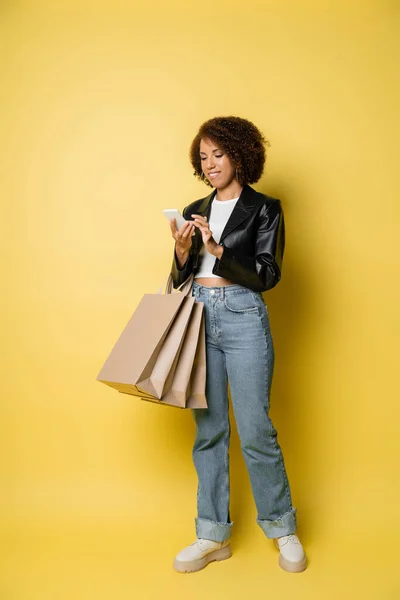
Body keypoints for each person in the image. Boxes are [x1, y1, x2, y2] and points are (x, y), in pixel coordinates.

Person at [168, 116, 307, 574]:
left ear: (240, 154)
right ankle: (212, 534)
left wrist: (219, 248)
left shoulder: (266, 208)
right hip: (199, 315)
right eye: (203, 157)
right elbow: (179, 280)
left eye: (218, 154)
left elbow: (268, 274)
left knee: (255, 430)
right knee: (209, 431)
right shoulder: (194, 207)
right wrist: (185, 253)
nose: (209, 164)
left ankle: (281, 525)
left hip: (244, 315)